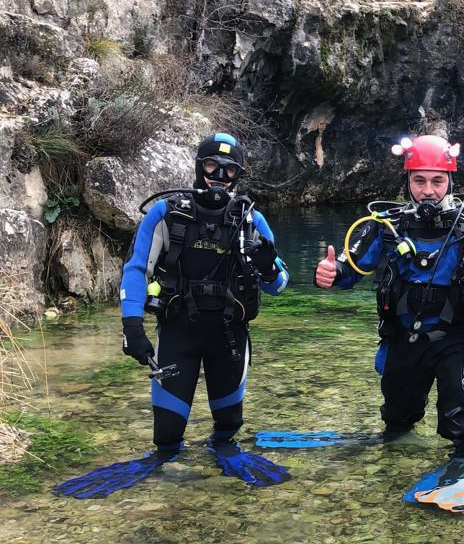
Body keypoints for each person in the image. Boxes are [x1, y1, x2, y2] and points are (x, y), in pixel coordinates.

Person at [54, 133, 292, 498]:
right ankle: (162, 463)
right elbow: (136, 270)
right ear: (199, 166)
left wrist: (267, 263)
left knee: (228, 427)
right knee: (167, 436)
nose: (219, 177)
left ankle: (225, 452)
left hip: (228, 338)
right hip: (178, 334)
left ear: (238, 176)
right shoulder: (166, 213)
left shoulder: (251, 221)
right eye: (212, 165)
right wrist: (132, 327)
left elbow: (279, 283)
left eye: (229, 171)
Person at [313, 134, 464, 458]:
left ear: (450, 181)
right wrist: (330, 273)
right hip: (403, 336)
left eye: (437, 181)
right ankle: (394, 458)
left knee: (457, 421)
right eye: (419, 180)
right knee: (397, 415)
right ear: (407, 181)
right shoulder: (387, 227)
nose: (428, 190)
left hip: (456, 337)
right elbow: (349, 268)